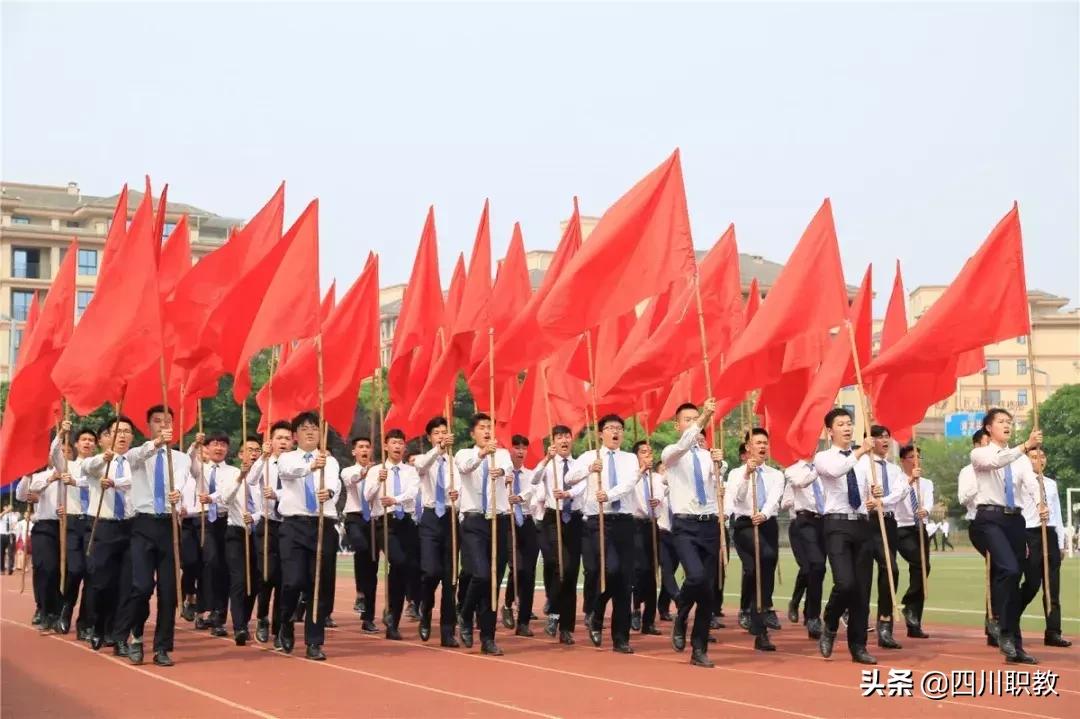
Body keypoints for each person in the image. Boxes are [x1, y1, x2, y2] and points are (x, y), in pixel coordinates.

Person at [969, 407, 1043, 664]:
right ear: (989, 428)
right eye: (1001, 421)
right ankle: (999, 622)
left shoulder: (1021, 459)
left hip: (1015, 521)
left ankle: (1013, 642)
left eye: (1009, 421)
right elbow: (997, 462)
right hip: (990, 519)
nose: (1007, 425)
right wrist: (1025, 446)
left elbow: (1031, 483)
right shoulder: (980, 453)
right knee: (1009, 570)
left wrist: (1040, 503)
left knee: (1014, 579)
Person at [814, 407, 882, 665]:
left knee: (862, 591)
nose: (847, 427)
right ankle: (830, 621)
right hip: (837, 525)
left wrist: (874, 495)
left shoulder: (865, 461)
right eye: (841, 424)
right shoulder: (824, 458)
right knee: (845, 583)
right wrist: (861, 450)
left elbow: (865, 493)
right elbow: (836, 471)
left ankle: (858, 646)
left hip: (862, 525)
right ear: (829, 431)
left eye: (849, 423)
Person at [568, 414, 640, 654]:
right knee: (611, 570)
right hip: (598, 522)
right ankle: (596, 611)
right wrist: (589, 469)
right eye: (610, 428)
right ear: (600, 433)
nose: (615, 432)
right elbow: (569, 478)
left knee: (625, 581)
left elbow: (630, 483)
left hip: (625, 522)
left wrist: (608, 495)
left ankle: (621, 638)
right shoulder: (589, 456)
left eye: (619, 428)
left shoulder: (630, 458)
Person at [661, 399, 724, 668]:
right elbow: (686, 442)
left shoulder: (708, 455)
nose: (693, 423)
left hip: (709, 524)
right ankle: (682, 610)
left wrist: (719, 465)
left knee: (707, 590)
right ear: (677, 425)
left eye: (695, 418)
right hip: (685, 526)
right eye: (687, 419)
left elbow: (715, 488)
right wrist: (703, 417)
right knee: (695, 577)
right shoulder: (672, 453)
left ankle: (699, 648)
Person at [276, 412, 341, 661]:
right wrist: (311, 466)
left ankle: (314, 641)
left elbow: (334, 483)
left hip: (322, 525)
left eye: (314, 427)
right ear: (295, 435)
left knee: (318, 585)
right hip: (294, 526)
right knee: (293, 581)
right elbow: (288, 473)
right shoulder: (286, 458)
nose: (310, 432)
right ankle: (285, 622)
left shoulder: (330, 461)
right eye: (304, 428)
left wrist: (329, 492)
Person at [454, 413, 510, 655]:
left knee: (493, 583)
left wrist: (502, 471)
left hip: (498, 520)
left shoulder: (503, 454)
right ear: (473, 433)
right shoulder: (464, 454)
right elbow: (465, 468)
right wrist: (482, 454)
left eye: (490, 427)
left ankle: (488, 638)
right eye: (482, 428)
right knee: (480, 574)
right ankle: (466, 614)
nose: (487, 431)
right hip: (474, 521)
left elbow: (508, 470)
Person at [725, 427, 783, 652]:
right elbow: (736, 498)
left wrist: (765, 514)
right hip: (745, 526)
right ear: (748, 447)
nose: (762, 446)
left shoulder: (776, 474)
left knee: (763, 570)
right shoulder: (736, 473)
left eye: (765, 443)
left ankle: (760, 630)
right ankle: (758, 607)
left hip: (767, 524)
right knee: (760, 562)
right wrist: (747, 475)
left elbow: (774, 499)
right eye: (757, 443)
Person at [363, 428, 420, 640]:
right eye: (394, 443)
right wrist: (378, 481)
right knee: (399, 561)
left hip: (406, 522)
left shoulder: (410, 471)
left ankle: (392, 619)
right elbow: (367, 496)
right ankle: (390, 612)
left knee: (405, 569)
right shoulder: (375, 470)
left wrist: (396, 500)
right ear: (386, 446)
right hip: (384, 523)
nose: (397, 446)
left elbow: (413, 492)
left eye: (400, 443)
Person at [412, 418, 460, 646]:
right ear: (430, 437)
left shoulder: (455, 463)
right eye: (437, 433)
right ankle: (426, 608)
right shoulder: (425, 460)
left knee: (450, 578)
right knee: (430, 572)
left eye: (444, 432)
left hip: (451, 518)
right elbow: (421, 466)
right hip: (431, 518)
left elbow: (463, 488)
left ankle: (448, 631)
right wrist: (438, 450)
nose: (441, 436)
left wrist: (457, 496)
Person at [534, 424, 583, 645]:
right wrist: (546, 459)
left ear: (572, 439)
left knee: (570, 572)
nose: (564, 440)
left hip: (573, 518)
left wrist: (568, 493)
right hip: (552, 519)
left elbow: (583, 486)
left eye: (567, 436)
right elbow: (534, 479)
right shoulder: (548, 464)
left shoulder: (578, 464)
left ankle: (565, 627)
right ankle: (553, 609)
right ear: (552, 441)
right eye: (559, 437)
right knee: (557, 565)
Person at [247, 420, 294, 648]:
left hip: (289, 525)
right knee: (267, 575)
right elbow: (251, 480)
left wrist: (278, 495)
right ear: (271, 441)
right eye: (279, 438)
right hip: (267, 524)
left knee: (285, 580)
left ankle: (280, 628)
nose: (283, 442)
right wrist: (262, 458)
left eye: (287, 438)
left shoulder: (296, 464)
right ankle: (262, 617)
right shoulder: (265, 462)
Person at [1019, 446, 1071, 648]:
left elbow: (1057, 513)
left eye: (1041, 456)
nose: (1039, 459)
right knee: (1032, 584)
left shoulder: (1051, 484)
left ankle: (1053, 632)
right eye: (1033, 456)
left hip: (1049, 533)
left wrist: (1060, 542)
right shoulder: (1021, 483)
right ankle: (1009, 620)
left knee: (1052, 587)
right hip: (1030, 534)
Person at [861, 425, 906, 650]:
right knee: (862, 574)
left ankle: (885, 621)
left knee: (890, 569)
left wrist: (882, 501)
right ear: (869, 441)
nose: (884, 440)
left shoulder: (894, 469)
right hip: (865, 522)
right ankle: (856, 616)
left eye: (887, 436)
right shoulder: (860, 465)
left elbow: (901, 491)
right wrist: (867, 501)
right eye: (879, 437)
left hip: (887, 521)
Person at [53, 423, 98, 639]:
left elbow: (91, 484)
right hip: (73, 523)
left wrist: (76, 482)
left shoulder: (99, 467)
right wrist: (61, 433)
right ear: (77, 444)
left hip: (93, 523)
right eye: (84, 440)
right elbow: (54, 452)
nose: (88, 443)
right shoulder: (67, 466)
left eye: (91, 440)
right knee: (75, 570)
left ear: (95, 445)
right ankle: (66, 608)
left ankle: (85, 623)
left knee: (92, 574)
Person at [958, 428, 998, 645]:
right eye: (985, 443)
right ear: (976, 446)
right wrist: (978, 485)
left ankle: (996, 620)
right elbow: (963, 498)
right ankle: (993, 621)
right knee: (998, 566)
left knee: (1004, 570)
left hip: (1002, 524)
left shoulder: (1000, 467)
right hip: (980, 524)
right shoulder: (968, 472)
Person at [783, 458, 827, 640]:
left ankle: (810, 613)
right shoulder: (794, 470)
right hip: (801, 522)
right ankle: (802, 607)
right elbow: (786, 501)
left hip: (822, 522)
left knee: (817, 569)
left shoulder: (824, 469)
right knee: (810, 567)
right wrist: (793, 501)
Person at [340, 436, 379, 634]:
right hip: (355, 518)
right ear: (354, 452)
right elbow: (351, 480)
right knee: (361, 548)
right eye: (361, 447)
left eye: (367, 447)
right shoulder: (348, 471)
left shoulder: (379, 471)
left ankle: (368, 617)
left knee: (372, 566)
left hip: (373, 519)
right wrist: (364, 473)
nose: (364, 450)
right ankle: (360, 591)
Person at [501, 435, 539, 637]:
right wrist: (503, 485)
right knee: (517, 567)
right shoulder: (501, 474)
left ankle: (523, 621)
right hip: (507, 522)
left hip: (526, 521)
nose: (520, 451)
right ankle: (508, 604)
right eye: (516, 447)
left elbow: (532, 490)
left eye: (524, 447)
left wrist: (520, 497)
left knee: (529, 572)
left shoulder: (530, 475)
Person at [894, 444, 932, 638]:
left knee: (922, 571)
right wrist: (910, 481)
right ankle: (909, 603)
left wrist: (926, 510)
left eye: (918, 457)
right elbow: (896, 498)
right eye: (911, 457)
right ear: (903, 461)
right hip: (901, 528)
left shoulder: (926, 483)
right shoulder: (897, 480)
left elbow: (929, 501)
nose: (916, 460)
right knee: (919, 563)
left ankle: (914, 622)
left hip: (920, 528)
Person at [630, 440, 662, 636]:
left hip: (652, 524)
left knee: (652, 571)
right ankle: (635, 607)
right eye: (643, 452)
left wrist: (657, 500)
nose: (648, 455)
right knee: (639, 569)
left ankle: (649, 620)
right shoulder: (632, 475)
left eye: (650, 452)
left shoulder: (656, 478)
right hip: (635, 525)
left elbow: (662, 495)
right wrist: (640, 471)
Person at [0, 503, 17, 574]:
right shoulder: (2, 515)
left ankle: (10, 568)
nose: (8, 508)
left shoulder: (13, 516)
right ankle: (2, 569)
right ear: (4, 508)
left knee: (10, 553)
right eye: (6, 507)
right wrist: (6, 511)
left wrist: (12, 526)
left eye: (9, 507)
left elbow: (14, 524)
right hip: (2, 535)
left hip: (10, 535)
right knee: (1, 553)